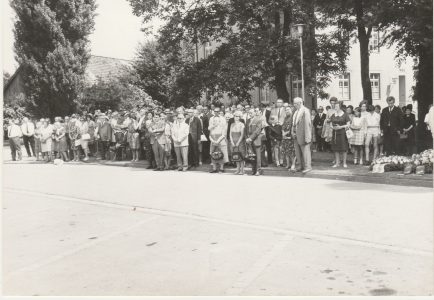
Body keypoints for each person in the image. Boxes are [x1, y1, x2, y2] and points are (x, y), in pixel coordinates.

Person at [292, 97, 312, 173]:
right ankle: (300, 166)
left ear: (300, 103)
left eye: (296, 104)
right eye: (294, 103)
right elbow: (294, 123)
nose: (294, 105)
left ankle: (308, 166)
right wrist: (292, 132)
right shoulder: (296, 111)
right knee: (297, 152)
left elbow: (307, 124)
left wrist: (307, 136)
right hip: (296, 134)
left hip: (303, 134)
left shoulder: (305, 111)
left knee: (305, 151)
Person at [330, 101, 351, 168]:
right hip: (335, 132)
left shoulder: (345, 115)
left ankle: (344, 163)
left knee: (344, 148)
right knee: (336, 148)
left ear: (340, 107)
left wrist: (340, 127)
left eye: (336, 106)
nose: (335, 107)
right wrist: (333, 127)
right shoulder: (333, 115)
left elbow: (348, 124)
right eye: (335, 106)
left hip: (342, 133)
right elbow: (330, 123)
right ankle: (337, 163)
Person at [208, 107, 228, 173]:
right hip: (213, 138)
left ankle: (221, 168)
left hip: (220, 139)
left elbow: (224, 132)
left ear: (219, 111)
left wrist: (218, 141)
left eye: (217, 111)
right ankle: (214, 168)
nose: (216, 112)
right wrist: (213, 125)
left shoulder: (222, 119)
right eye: (215, 111)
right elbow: (209, 130)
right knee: (213, 153)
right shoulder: (211, 118)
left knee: (221, 153)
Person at [245, 108, 264, 176]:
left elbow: (257, 131)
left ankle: (258, 170)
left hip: (256, 140)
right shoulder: (247, 120)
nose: (250, 114)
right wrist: (247, 138)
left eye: (251, 112)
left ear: (255, 113)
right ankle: (253, 170)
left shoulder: (258, 120)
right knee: (252, 156)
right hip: (249, 141)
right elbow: (246, 130)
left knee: (258, 156)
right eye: (249, 113)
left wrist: (250, 138)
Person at [229, 110, 246, 175]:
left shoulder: (242, 124)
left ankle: (242, 170)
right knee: (235, 155)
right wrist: (232, 142)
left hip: (240, 142)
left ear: (240, 117)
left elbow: (242, 135)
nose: (236, 117)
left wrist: (238, 142)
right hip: (233, 141)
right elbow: (230, 134)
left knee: (241, 156)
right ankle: (237, 169)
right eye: (235, 116)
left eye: (237, 116)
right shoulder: (232, 124)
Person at [281, 106, 297, 171]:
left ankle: (293, 164)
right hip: (285, 138)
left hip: (290, 137)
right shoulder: (285, 118)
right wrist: (283, 133)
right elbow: (283, 126)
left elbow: (292, 127)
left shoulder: (292, 118)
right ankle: (288, 164)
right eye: (286, 110)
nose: (287, 111)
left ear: (291, 110)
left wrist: (286, 133)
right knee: (286, 152)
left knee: (291, 153)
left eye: (288, 110)